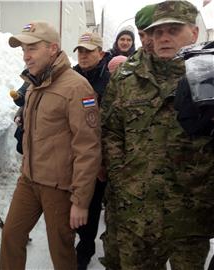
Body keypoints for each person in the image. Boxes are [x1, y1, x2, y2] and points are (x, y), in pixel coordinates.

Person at [102, 1, 214, 269]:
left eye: (174, 30)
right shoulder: (126, 77)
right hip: (137, 213)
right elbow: (111, 131)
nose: (163, 37)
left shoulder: (209, 76)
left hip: (191, 215)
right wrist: (123, 176)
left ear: (194, 33)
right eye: (157, 31)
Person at [0, 21, 102, 270]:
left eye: (32, 48)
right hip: (29, 180)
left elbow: (88, 147)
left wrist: (80, 200)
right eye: (23, 49)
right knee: (11, 235)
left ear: (53, 49)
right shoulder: (35, 83)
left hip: (58, 186)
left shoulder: (77, 87)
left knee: (61, 250)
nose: (26, 55)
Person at [99, 4, 157, 269]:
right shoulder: (121, 73)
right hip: (124, 178)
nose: (151, 39)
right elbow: (109, 126)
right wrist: (116, 167)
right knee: (119, 242)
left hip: (166, 192)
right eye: (143, 33)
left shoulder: (190, 73)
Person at [71, 32, 110, 270]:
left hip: (98, 153)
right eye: (81, 51)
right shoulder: (70, 75)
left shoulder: (110, 80)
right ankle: (75, 239)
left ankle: (85, 247)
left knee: (92, 203)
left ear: (101, 53)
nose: (84, 56)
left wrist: (103, 161)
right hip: (73, 152)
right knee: (72, 200)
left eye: (89, 51)